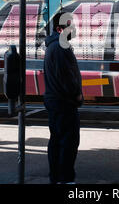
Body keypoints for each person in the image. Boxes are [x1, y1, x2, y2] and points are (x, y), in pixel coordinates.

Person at [43, 12, 84, 184]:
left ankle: (57, 177)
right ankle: (65, 179)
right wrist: (77, 94)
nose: (73, 28)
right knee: (68, 142)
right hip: (64, 103)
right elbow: (66, 78)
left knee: (57, 141)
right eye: (69, 25)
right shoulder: (60, 47)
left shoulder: (54, 46)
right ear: (60, 29)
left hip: (56, 101)